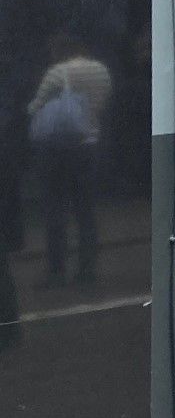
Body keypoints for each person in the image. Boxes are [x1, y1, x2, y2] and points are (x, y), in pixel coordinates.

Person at [26, 33, 112, 286]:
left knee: (56, 210)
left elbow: (35, 106)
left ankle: (56, 271)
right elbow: (101, 103)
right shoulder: (101, 71)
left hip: (58, 151)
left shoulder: (57, 73)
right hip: (88, 146)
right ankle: (87, 270)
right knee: (85, 211)